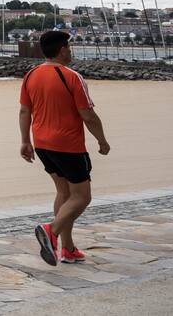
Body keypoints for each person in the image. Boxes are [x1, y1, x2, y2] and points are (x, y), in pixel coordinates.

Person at [18, 29, 110, 265]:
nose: (71, 51)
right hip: (68, 145)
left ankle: (67, 249)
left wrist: (25, 140)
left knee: (64, 193)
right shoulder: (71, 76)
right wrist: (102, 140)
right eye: (69, 47)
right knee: (82, 197)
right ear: (62, 50)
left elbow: (24, 110)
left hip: (42, 144)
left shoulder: (31, 75)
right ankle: (52, 230)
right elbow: (88, 115)